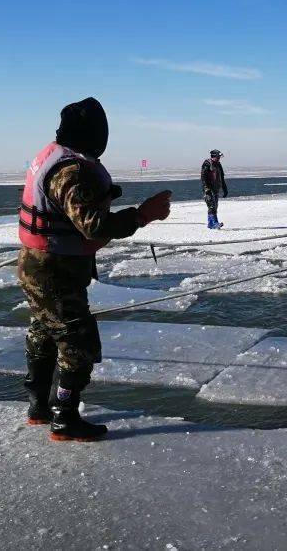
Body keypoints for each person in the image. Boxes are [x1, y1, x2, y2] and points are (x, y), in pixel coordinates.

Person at [17, 97, 172, 441]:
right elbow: (93, 226)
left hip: (41, 266)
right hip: (53, 272)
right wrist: (143, 214)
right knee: (77, 341)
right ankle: (64, 418)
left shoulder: (57, 158)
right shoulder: (70, 170)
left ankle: (39, 406)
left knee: (44, 331)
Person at [201, 149, 228, 229]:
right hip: (208, 189)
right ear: (214, 156)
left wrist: (224, 188)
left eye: (219, 157)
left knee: (215, 206)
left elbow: (222, 177)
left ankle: (210, 223)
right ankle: (214, 223)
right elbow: (203, 177)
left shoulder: (218, 165)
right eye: (218, 157)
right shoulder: (207, 163)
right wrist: (206, 188)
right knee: (211, 205)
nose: (219, 158)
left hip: (216, 189)